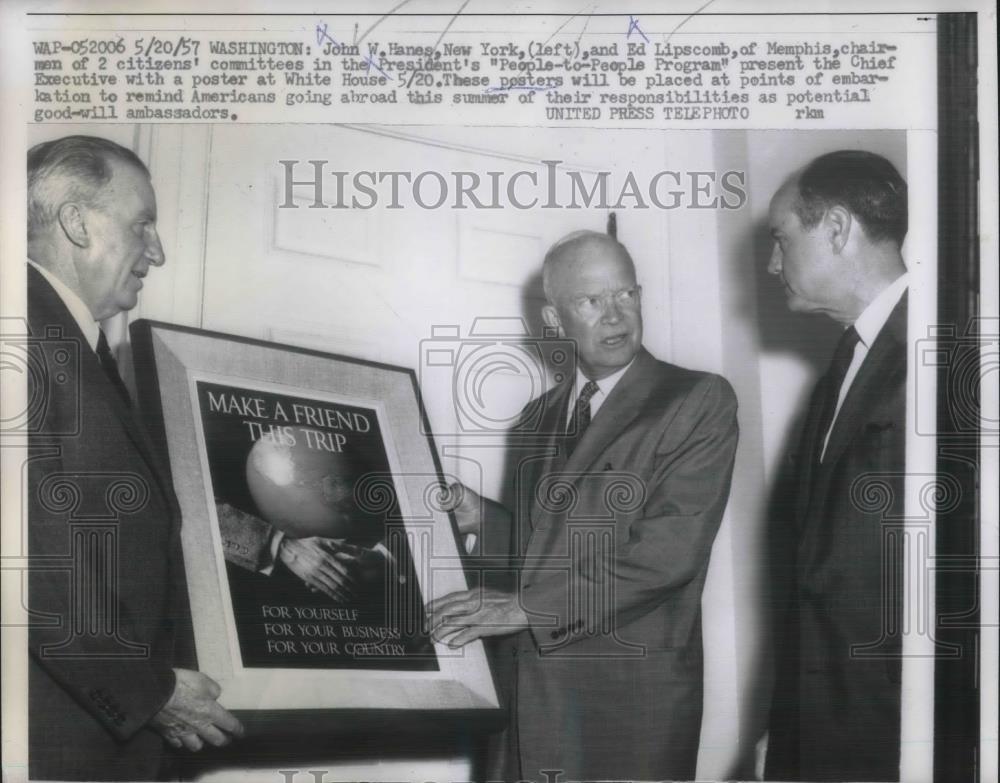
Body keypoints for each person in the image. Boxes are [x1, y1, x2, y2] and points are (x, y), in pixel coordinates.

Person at [428, 230, 739, 781]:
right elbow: (539, 549)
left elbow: (668, 556)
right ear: (553, 320)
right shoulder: (534, 417)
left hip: (627, 705)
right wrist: (485, 519)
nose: (616, 315)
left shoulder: (696, 398)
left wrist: (525, 609)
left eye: (626, 294)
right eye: (591, 301)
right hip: (530, 696)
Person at [26, 135, 244, 780]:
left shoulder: (66, 340)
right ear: (76, 222)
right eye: (141, 223)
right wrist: (146, 690)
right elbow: (23, 553)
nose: (158, 251)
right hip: (56, 739)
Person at [763, 150, 909, 781]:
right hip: (823, 725)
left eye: (781, 239)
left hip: (895, 730)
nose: (773, 264)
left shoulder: (943, 349)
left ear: (838, 228)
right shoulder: (843, 369)